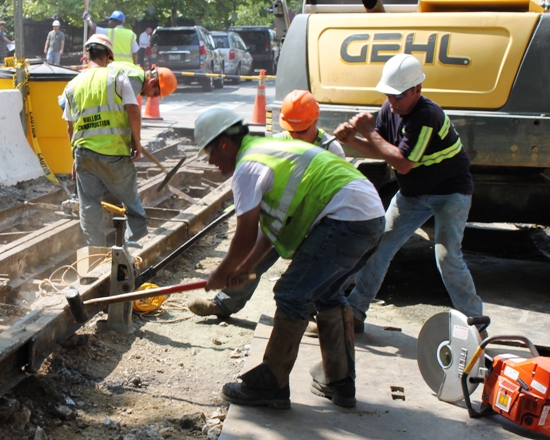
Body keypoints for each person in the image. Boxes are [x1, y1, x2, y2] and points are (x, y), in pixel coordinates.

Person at [194, 108, 385, 409]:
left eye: (209, 152)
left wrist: (223, 272)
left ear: (224, 144)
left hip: (346, 218)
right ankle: (340, 382)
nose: (210, 161)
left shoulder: (248, 166)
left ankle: (271, 383)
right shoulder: (273, 150)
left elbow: (244, 235)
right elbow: (271, 233)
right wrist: (244, 269)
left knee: (291, 293)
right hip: (371, 216)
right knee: (328, 294)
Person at [334, 53, 483, 334]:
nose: (393, 101)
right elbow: (381, 150)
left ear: (418, 90)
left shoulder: (426, 115)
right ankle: (354, 313)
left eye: (399, 95)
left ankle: (476, 326)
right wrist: (352, 139)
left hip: (450, 193)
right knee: (378, 247)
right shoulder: (390, 108)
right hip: (414, 194)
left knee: (447, 258)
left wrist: (367, 131)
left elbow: (402, 162)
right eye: (389, 94)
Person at [186, 90, 346, 323]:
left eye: (302, 130)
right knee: (255, 255)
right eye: (292, 130)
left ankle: (312, 314)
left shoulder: (331, 149)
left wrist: (221, 271)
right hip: (285, 216)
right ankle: (224, 303)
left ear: (315, 122)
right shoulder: (277, 143)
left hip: (317, 219)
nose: (296, 136)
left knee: (308, 273)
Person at [62, 35, 147, 246]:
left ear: (85, 57)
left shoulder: (72, 85)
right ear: (109, 56)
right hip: (114, 153)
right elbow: (133, 111)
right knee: (132, 205)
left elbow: (69, 127)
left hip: (84, 155)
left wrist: (75, 158)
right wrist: (136, 142)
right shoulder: (117, 76)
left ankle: (95, 254)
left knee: (90, 205)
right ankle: (133, 252)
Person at [108, 60, 177, 99]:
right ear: (152, 81)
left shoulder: (136, 70)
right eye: (155, 94)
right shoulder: (136, 84)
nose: (152, 97)